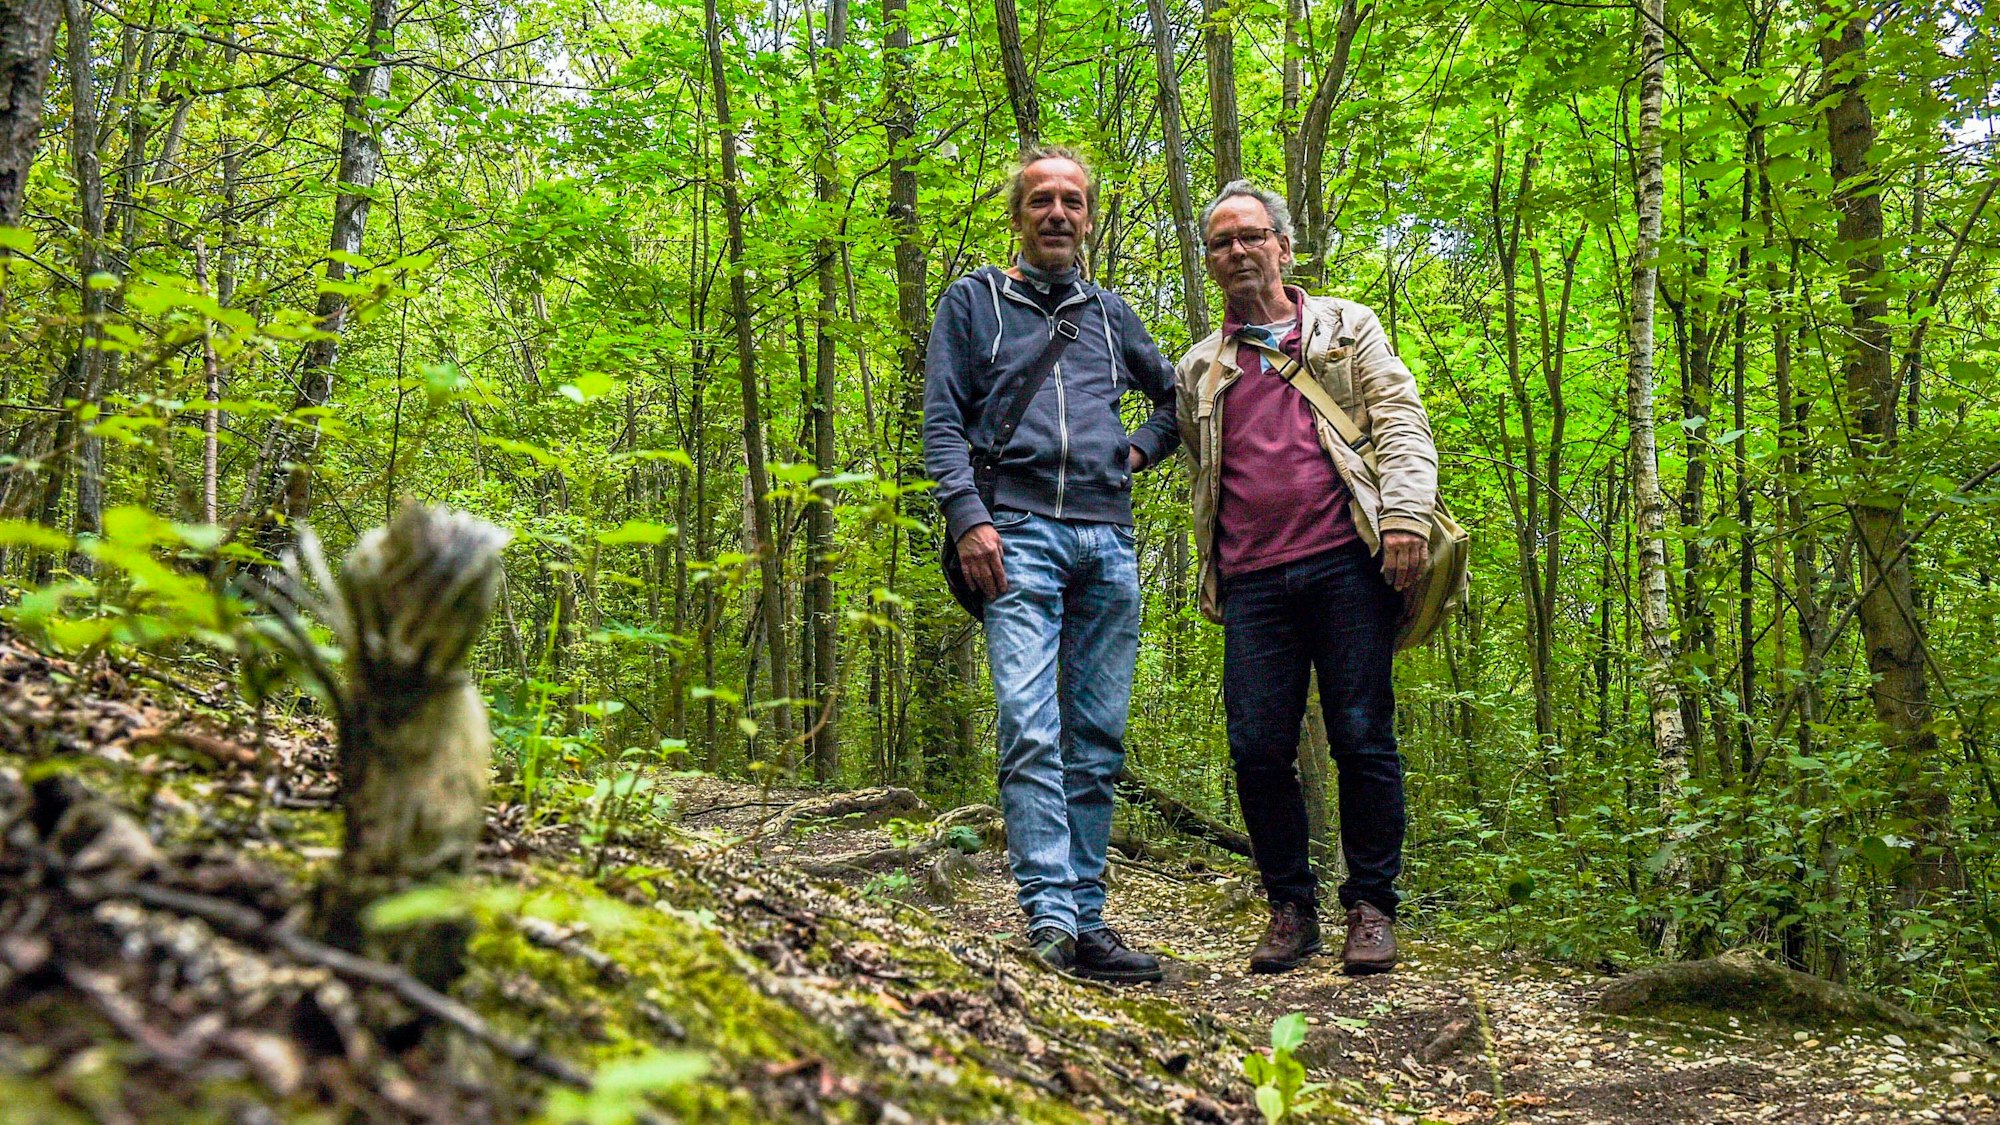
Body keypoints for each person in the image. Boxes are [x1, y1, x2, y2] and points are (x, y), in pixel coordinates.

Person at [923, 145, 1181, 983]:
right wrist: (969, 517)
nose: (1058, 213)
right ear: (1018, 215)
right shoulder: (974, 302)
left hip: (1109, 539)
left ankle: (1089, 920)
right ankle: (1050, 923)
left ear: (1090, 217)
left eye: (1073, 201)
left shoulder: (1111, 314)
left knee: (1096, 738)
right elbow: (940, 422)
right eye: (1042, 200)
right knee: (1031, 728)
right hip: (1017, 534)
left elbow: (1177, 397)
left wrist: (1136, 451)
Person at [1173, 180, 1439, 975]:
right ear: (1211, 262)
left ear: (1284, 247)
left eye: (1252, 236)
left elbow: (1400, 420)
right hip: (1253, 581)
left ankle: (1370, 906)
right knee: (1256, 748)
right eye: (1222, 243)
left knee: (1362, 735)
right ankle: (1290, 907)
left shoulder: (1345, 327)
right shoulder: (1200, 366)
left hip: (1347, 563)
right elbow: (1202, 460)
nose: (1238, 252)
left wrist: (1404, 518)